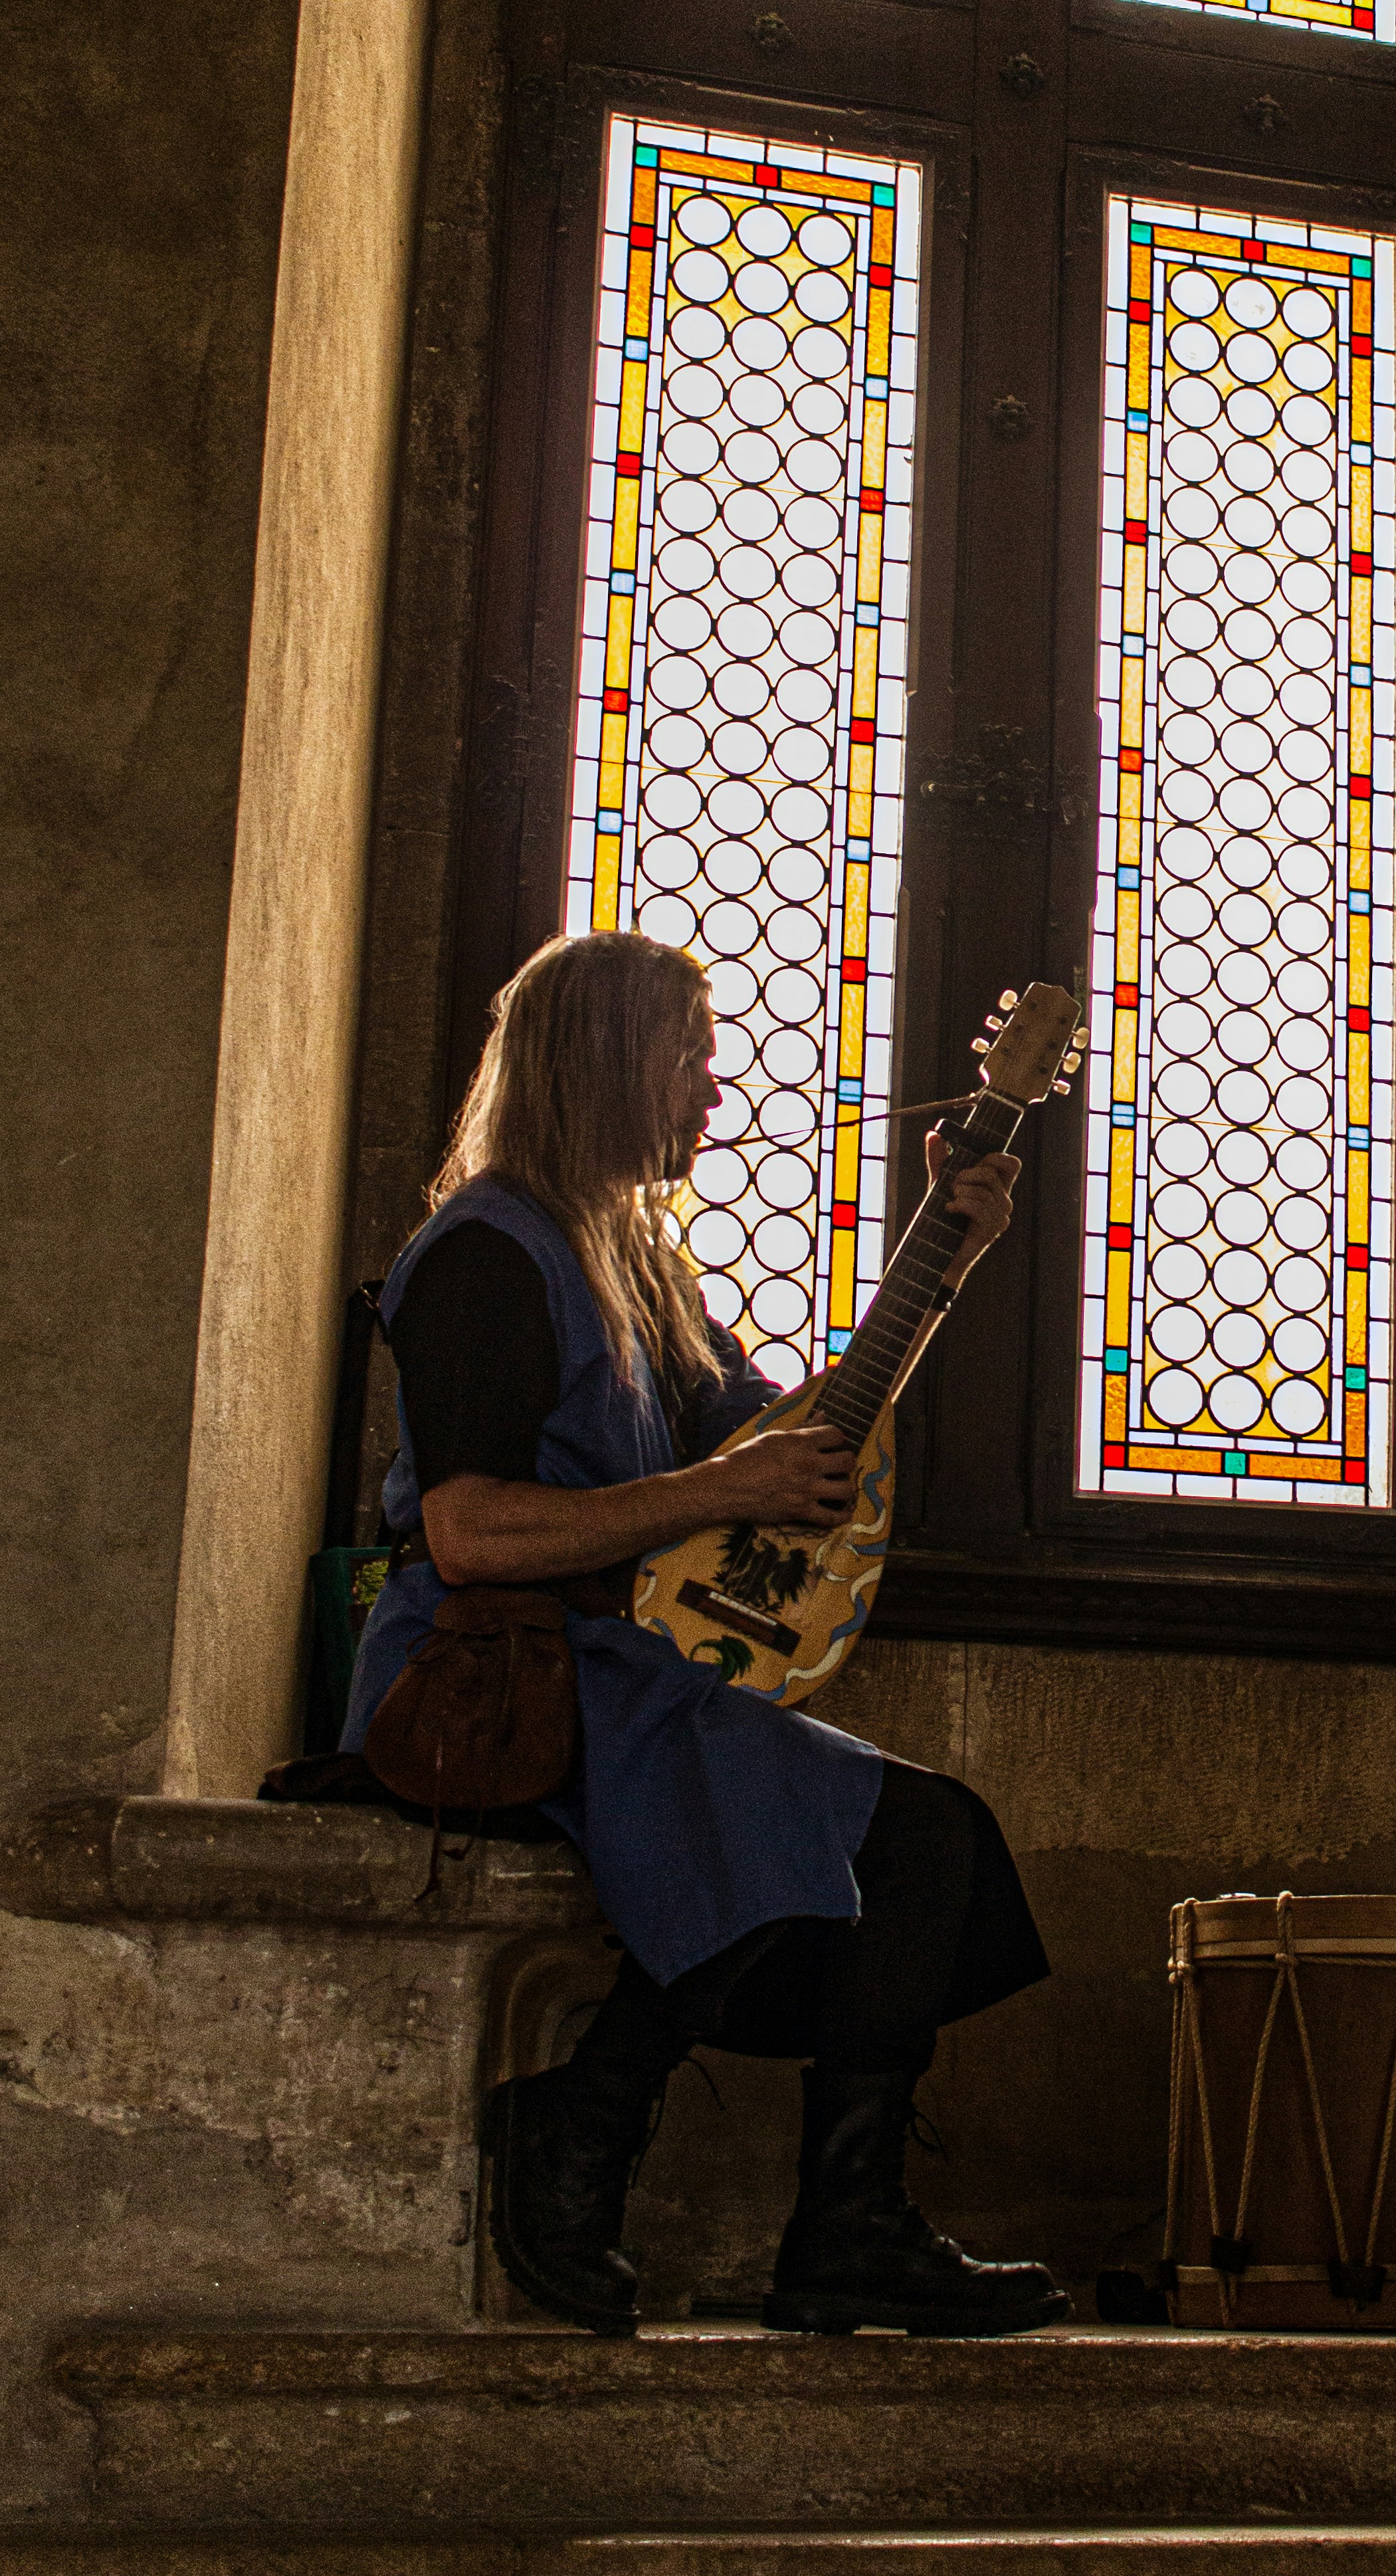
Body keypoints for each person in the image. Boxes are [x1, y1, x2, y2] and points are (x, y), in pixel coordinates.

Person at [341, 929, 1063, 2342]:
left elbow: (776, 1448)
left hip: (631, 1668)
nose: (713, 1090)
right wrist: (723, 1486)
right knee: (784, 1808)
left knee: (928, 1837)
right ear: (601, 1062)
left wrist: (945, 1262)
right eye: (688, 1056)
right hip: (503, 1664)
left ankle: (844, 2227)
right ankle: (582, 2127)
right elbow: (469, 1532)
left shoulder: (637, 1260)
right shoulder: (482, 1253)